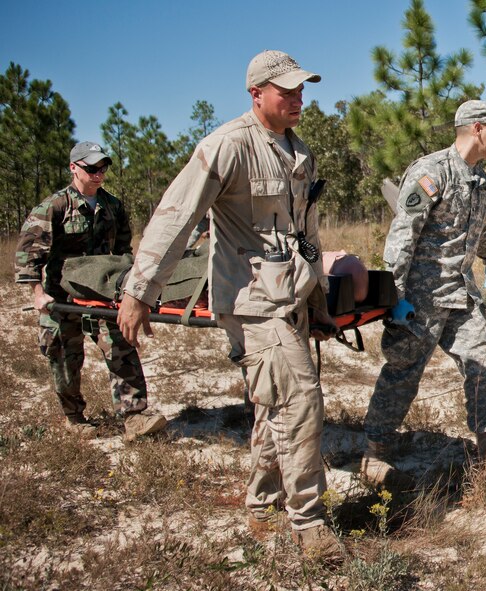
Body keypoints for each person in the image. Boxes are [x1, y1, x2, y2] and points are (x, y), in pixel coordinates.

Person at [116, 50, 342, 559]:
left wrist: (319, 297)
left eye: (302, 90)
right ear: (256, 93)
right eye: (288, 91)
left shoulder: (297, 150)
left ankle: (262, 505)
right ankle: (309, 524)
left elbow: (306, 234)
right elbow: (176, 215)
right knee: (300, 399)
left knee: (274, 405)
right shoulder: (228, 145)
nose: (299, 99)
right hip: (250, 300)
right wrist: (138, 291)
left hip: (291, 298)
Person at [361, 100, 486, 486]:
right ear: (478, 128)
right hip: (419, 298)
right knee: (403, 373)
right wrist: (394, 295)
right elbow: (402, 235)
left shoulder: (480, 179)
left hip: (460, 293)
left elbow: (483, 230)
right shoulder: (431, 172)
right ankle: (374, 452)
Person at [15, 142, 167, 442]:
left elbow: (123, 252)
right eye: (91, 169)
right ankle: (73, 417)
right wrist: (37, 294)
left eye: (103, 168)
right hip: (62, 297)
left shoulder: (113, 206)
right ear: (74, 167)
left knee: (121, 347)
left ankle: (134, 416)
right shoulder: (54, 207)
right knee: (64, 357)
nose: (99, 174)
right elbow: (29, 255)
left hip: (102, 293)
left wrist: (129, 291)